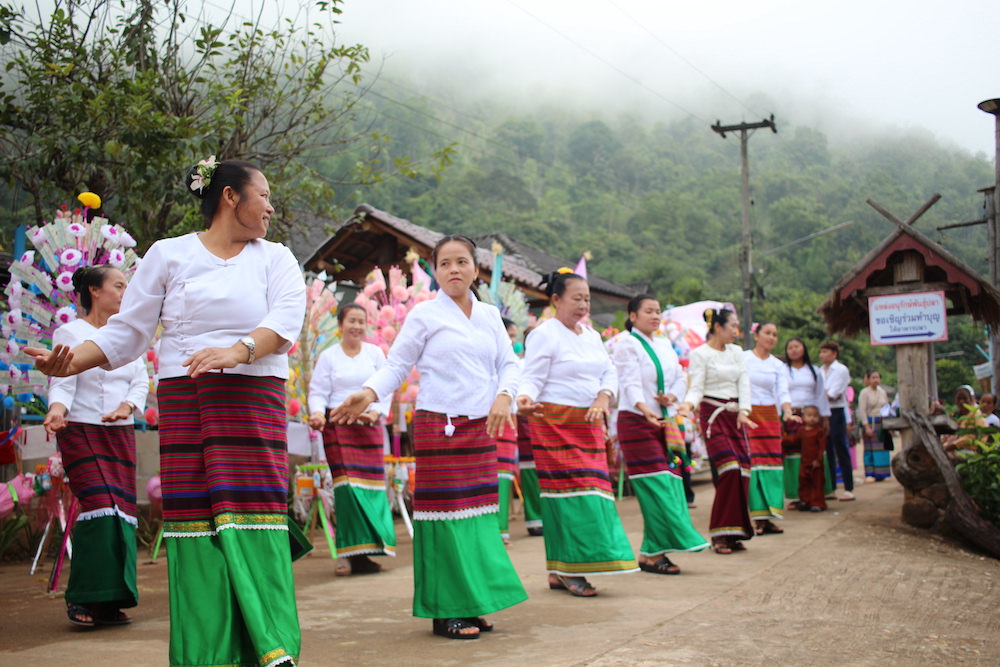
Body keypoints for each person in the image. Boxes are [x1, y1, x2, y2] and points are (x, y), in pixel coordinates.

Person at [28, 158, 306, 667]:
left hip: (253, 400)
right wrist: (67, 363)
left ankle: (272, 646)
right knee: (195, 524)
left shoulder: (277, 258)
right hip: (189, 402)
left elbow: (287, 320)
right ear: (230, 196)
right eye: (264, 195)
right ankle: (206, 656)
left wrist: (236, 351)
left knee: (256, 516)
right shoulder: (168, 254)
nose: (270, 207)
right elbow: (127, 332)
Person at [330, 235, 527, 640]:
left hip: (481, 427)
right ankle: (445, 610)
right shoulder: (425, 315)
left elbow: (509, 364)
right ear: (435, 271)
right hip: (440, 426)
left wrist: (505, 396)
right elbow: (398, 365)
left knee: (477, 518)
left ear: (475, 268)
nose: (454, 269)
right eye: (445, 263)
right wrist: (368, 393)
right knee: (444, 518)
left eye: (462, 262)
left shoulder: (489, 315)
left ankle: (473, 601)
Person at [517, 271, 638, 597]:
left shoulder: (592, 336)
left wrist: (603, 397)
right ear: (556, 300)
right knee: (567, 496)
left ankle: (562, 569)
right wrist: (524, 398)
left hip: (589, 424)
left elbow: (609, 372)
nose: (584, 304)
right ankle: (570, 569)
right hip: (554, 423)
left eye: (587, 299)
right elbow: (532, 376)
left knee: (592, 493)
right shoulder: (544, 334)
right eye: (577, 298)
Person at [44, 265, 148, 627]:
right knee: (100, 506)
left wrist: (127, 407)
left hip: (120, 432)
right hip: (81, 429)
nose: (124, 293)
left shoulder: (129, 334)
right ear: (94, 290)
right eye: (118, 285)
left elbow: (140, 380)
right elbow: (62, 379)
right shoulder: (70, 332)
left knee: (122, 511)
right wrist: (57, 410)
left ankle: (111, 600)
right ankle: (83, 597)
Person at [612, 294, 709, 574]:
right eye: (648, 311)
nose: (655, 316)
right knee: (656, 484)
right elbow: (628, 382)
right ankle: (658, 550)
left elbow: (679, 377)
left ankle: (652, 553)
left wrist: (672, 397)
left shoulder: (665, 344)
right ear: (633, 316)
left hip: (664, 421)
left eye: (657, 311)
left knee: (670, 482)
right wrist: (645, 408)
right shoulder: (627, 343)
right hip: (636, 421)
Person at [307, 303, 396, 574]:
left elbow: (386, 385)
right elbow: (318, 391)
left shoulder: (375, 353)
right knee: (346, 490)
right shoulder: (328, 356)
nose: (356, 326)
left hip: (369, 427)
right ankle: (345, 554)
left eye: (361, 321)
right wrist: (317, 414)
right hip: (338, 427)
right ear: (340, 325)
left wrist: (376, 412)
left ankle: (367, 551)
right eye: (351, 321)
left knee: (371, 489)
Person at [677, 308, 757, 555]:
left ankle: (735, 533)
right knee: (729, 469)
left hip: (735, 416)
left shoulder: (736, 352)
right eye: (732, 325)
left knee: (743, 471)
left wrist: (744, 410)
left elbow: (743, 382)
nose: (736, 331)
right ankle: (720, 534)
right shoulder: (700, 354)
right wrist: (687, 405)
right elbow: (696, 387)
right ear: (718, 327)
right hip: (713, 416)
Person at [743, 322, 795, 536]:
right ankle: (758, 517)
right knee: (754, 465)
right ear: (756, 335)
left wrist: (787, 411)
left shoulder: (778, 365)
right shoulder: (744, 358)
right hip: (748, 416)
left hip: (771, 417)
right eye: (767, 333)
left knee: (772, 465)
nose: (772, 337)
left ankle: (771, 515)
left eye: (775, 334)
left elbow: (783, 391)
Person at [782, 338, 830, 507]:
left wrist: (825, 416)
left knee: (814, 453)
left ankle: (817, 495)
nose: (794, 350)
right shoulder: (783, 370)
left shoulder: (814, 370)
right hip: (792, 414)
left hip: (812, 414)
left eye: (797, 346)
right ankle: (797, 496)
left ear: (804, 349)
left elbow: (820, 394)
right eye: (790, 347)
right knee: (794, 453)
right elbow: (779, 392)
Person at [819, 341, 855, 501]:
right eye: (821, 352)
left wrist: (824, 394)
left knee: (841, 449)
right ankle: (831, 488)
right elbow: (820, 393)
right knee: (826, 450)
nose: (822, 355)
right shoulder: (819, 371)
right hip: (822, 412)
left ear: (834, 354)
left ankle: (848, 488)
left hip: (836, 412)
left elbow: (834, 394)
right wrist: (824, 393)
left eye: (825, 352)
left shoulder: (841, 370)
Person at [783, 406, 828, 512]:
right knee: (803, 482)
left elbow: (822, 447)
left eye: (815, 416)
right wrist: (783, 440)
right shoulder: (801, 430)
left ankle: (817, 503)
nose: (812, 418)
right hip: (804, 462)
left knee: (817, 483)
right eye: (809, 415)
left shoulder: (819, 431)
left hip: (816, 463)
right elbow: (794, 440)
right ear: (803, 417)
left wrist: (818, 459)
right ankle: (805, 501)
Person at [857, 370, 891, 481]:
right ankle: (870, 473)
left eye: (877, 377)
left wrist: (888, 423)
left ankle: (883, 473)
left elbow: (886, 408)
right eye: (873, 377)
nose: (876, 380)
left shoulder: (883, 392)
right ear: (868, 379)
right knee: (870, 449)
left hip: (881, 423)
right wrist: (866, 426)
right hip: (870, 422)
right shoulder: (864, 393)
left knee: (882, 448)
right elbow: (862, 410)